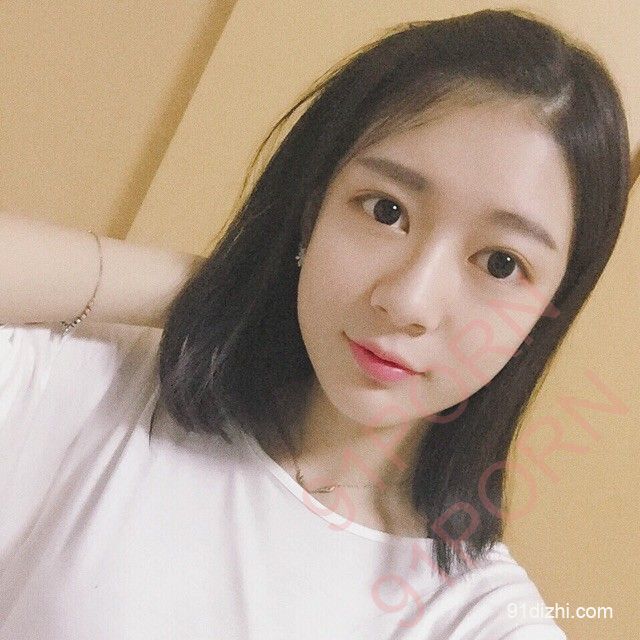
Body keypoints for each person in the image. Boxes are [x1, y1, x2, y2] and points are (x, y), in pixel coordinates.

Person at [0, 8, 630, 639]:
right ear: (312, 208)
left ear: (546, 313)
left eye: (500, 264)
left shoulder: (480, 620)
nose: (409, 302)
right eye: (386, 211)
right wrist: (221, 288)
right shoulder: (103, 399)